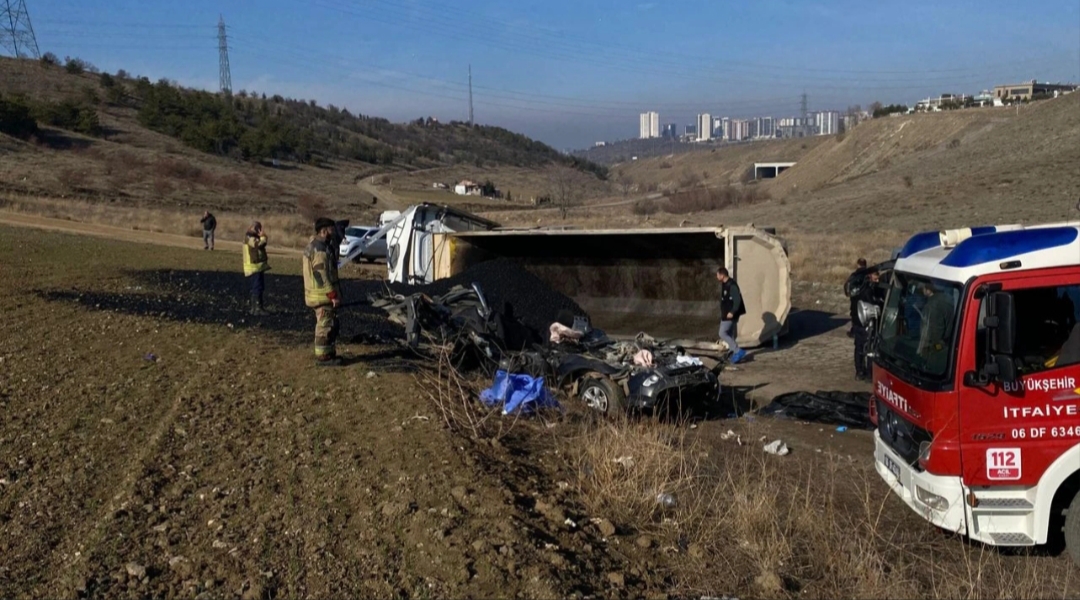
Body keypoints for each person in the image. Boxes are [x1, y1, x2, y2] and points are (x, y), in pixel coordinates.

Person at [303, 218, 343, 366]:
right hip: (322, 295)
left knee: (329, 324)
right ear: (324, 231)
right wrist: (332, 295)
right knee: (324, 325)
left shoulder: (317, 246)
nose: (333, 233)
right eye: (331, 230)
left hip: (317, 294)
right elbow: (321, 275)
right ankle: (323, 357)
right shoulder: (320, 250)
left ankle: (329, 352)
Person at [853, 268, 884, 381]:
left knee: (859, 347)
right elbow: (872, 304)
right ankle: (868, 373)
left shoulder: (858, 288)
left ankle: (859, 371)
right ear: (870, 276)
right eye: (876, 276)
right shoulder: (868, 290)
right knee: (869, 348)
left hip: (857, 321)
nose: (877, 279)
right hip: (865, 322)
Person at [716, 267, 747, 364]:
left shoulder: (732, 285)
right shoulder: (725, 284)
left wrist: (732, 312)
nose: (716, 277)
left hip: (730, 315)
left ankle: (738, 350)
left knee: (722, 333)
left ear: (722, 275)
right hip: (726, 313)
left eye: (717, 275)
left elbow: (737, 300)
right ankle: (733, 352)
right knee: (729, 334)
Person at [242, 221, 270, 315]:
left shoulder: (251, 237)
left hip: (256, 267)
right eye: (258, 228)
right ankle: (257, 308)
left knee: (258, 287)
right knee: (257, 287)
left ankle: (255, 308)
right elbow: (259, 245)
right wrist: (263, 237)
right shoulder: (250, 237)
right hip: (254, 267)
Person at [847, 258, 868, 337]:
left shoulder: (855, 275)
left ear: (858, 265)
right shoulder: (868, 274)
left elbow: (849, 286)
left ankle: (855, 331)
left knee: (855, 315)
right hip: (866, 298)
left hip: (855, 298)